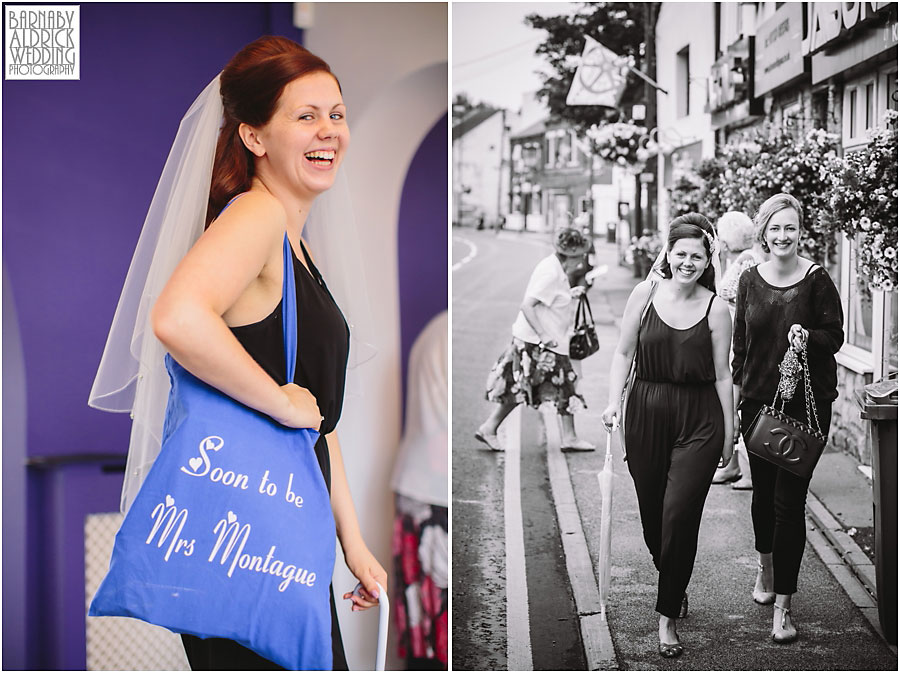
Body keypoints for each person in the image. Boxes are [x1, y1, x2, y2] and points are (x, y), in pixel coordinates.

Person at [90, 36, 387, 670]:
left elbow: (316, 419)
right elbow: (175, 318)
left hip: (282, 547)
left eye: (336, 114)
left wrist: (352, 543)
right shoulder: (256, 216)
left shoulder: (294, 245)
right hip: (246, 545)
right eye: (304, 116)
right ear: (254, 137)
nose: (328, 130)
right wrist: (278, 400)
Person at [601, 213, 734, 659]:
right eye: (681, 254)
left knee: (678, 514)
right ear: (668, 254)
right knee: (653, 518)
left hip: (700, 420)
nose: (688, 262)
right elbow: (622, 353)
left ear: (707, 258)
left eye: (697, 256)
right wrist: (612, 402)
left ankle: (667, 617)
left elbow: (722, 375)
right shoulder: (644, 294)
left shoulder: (717, 308)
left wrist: (730, 435)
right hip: (645, 413)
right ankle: (672, 577)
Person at [732, 193, 843, 644]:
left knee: (788, 503)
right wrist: (735, 406)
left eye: (790, 228)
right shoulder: (748, 281)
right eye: (775, 228)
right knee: (762, 498)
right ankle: (765, 568)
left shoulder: (816, 280)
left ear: (801, 232)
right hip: (758, 406)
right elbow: (741, 349)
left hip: (804, 410)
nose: (783, 236)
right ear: (763, 232)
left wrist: (808, 337)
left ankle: (783, 605)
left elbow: (834, 336)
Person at [475, 226, 595, 452]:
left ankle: (489, 428)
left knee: (519, 388)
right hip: (541, 343)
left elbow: (549, 300)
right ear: (571, 254)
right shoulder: (551, 272)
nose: (583, 259)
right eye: (581, 254)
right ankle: (569, 438)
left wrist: (570, 294)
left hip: (534, 340)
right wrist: (544, 336)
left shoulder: (555, 268)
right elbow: (528, 305)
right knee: (565, 384)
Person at [391, 311, 448, 669]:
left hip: (416, 481)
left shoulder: (434, 329)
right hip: (433, 490)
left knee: (421, 625)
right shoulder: (444, 332)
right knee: (438, 624)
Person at [711, 211, 768, 489]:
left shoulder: (745, 261)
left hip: (740, 341)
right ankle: (732, 464)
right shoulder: (743, 259)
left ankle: (747, 471)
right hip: (732, 339)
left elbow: (727, 295)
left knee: (739, 401)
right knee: (729, 401)